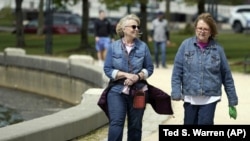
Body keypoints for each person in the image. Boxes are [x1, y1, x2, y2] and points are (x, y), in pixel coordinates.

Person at [171, 12, 238, 125]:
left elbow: (226, 76)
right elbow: (177, 72)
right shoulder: (185, 46)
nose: (202, 31)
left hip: (210, 97)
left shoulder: (218, 49)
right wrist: (176, 91)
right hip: (190, 96)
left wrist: (232, 100)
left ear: (211, 31)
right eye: (199, 28)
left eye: (205, 29)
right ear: (195, 29)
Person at [100, 14, 154, 141]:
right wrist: (124, 74)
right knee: (116, 123)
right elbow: (108, 69)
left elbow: (149, 68)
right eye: (133, 26)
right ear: (124, 29)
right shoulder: (113, 47)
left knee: (135, 126)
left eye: (138, 27)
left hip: (138, 91)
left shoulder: (143, 47)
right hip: (116, 90)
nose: (136, 29)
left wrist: (137, 76)